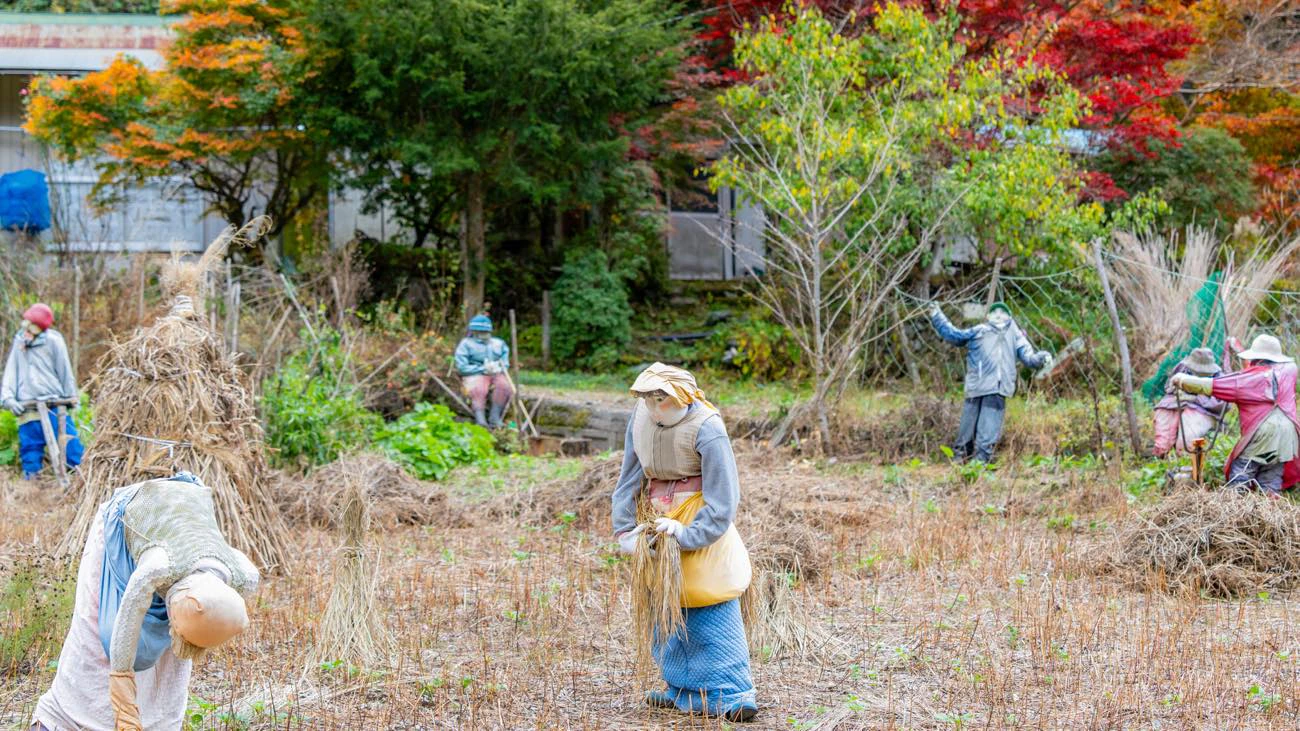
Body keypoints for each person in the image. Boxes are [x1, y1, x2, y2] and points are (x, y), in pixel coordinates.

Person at [33, 473, 259, 731]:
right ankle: (61, 722)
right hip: (130, 516)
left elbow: (215, 612)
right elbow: (127, 618)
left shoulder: (243, 576)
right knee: (98, 635)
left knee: (173, 654)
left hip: (182, 518)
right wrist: (125, 710)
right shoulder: (161, 565)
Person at [610, 363, 758, 722]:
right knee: (666, 607)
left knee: (708, 599)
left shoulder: (708, 427)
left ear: (682, 397)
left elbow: (724, 499)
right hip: (656, 520)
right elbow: (629, 475)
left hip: (698, 520)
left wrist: (690, 536)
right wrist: (624, 529)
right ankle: (681, 689)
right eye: (648, 398)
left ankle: (730, 693)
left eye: (661, 398)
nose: (654, 407)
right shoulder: (641, 419)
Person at [1171, 333, 1300, 495]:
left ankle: (1237, 510)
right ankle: (1271, 513)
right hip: (1288, 434)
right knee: (1271, 477)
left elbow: (1215, 385)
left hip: (1263, 432)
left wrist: (1182, 380)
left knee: (1241, 474)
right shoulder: (1290, 371)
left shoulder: (1251, 380)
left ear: (1257, 359)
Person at [928, 301, 1053, 462]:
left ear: (1009, 316)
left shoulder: (1015, 335)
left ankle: (980, 464)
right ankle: (959, 461)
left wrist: (1042, 357)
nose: (999, 315)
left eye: (1003, 312)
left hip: (997, 389)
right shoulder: (980, 330)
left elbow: (1029, 358)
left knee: (988, 431)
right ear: (988, 316)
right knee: (967, 428)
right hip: (976, 387)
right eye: (995, 312)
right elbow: (955, 336)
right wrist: (937, 316)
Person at [1, 302, 84, 479]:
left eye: (31, 330)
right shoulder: (19, 342)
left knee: (71, 449)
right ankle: (33, 492)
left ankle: (80, 485)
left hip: (55, 406)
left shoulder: (54, 341)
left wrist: (72, 397)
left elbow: (65, 370)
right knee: (30, 452)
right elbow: (11, 372)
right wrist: (8, 399)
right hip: (28, 408)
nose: (27, 333)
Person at [1152, 347, 1227, 457]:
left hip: (1202, 409)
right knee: (1163, 421)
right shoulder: (1182, 368)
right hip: (1176, 402)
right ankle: (1162, 454)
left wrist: (1195, 398)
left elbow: (1221, 404)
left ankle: (1187, 459)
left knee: (1188, 435)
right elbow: (1169, 387)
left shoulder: (1219, 377)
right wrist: (1177, 390)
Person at [453, 314, 513, 428]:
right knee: (478, 388)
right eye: (480, 331)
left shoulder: (499, 344)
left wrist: (499, 367)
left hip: (495, 373)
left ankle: (495, 418)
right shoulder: (466, 344)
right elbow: (462, 367)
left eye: (486, 332)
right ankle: (480, 420)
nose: (483, 334)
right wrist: (481, 369)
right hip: (475, 373)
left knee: (504, 386)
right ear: (473, 331)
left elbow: (505, 363)